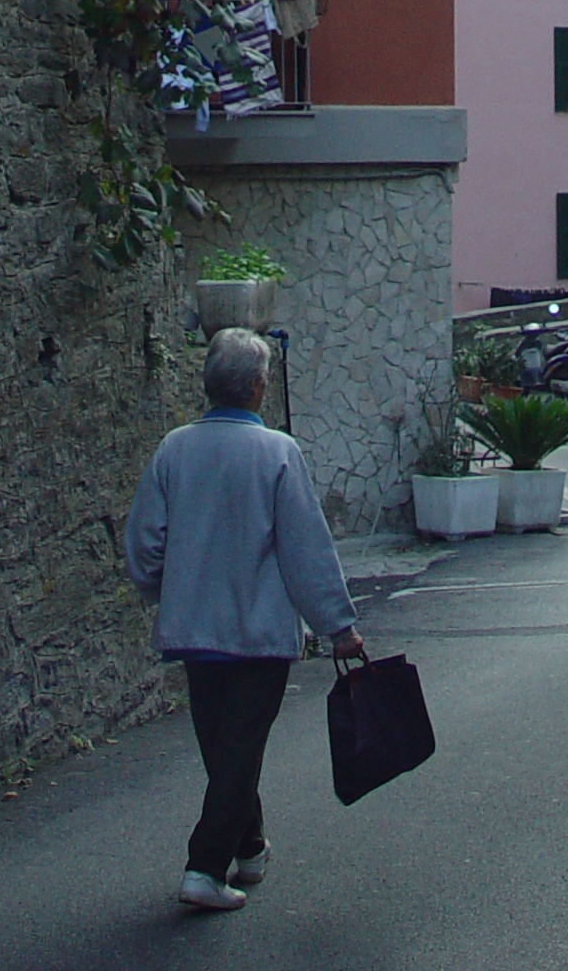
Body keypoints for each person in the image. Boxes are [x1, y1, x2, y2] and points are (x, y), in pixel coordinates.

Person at [124, 327, 365, 911]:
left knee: (228, 749)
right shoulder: (278, 453)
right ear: (259, 386)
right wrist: (339, 626)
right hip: (258, 636)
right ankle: (203, 868)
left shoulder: (173, 449)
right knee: (240, 750)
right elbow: (305, 549)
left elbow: (143, 543)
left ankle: (250, 849)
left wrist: (168, 588)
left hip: (196, 633)